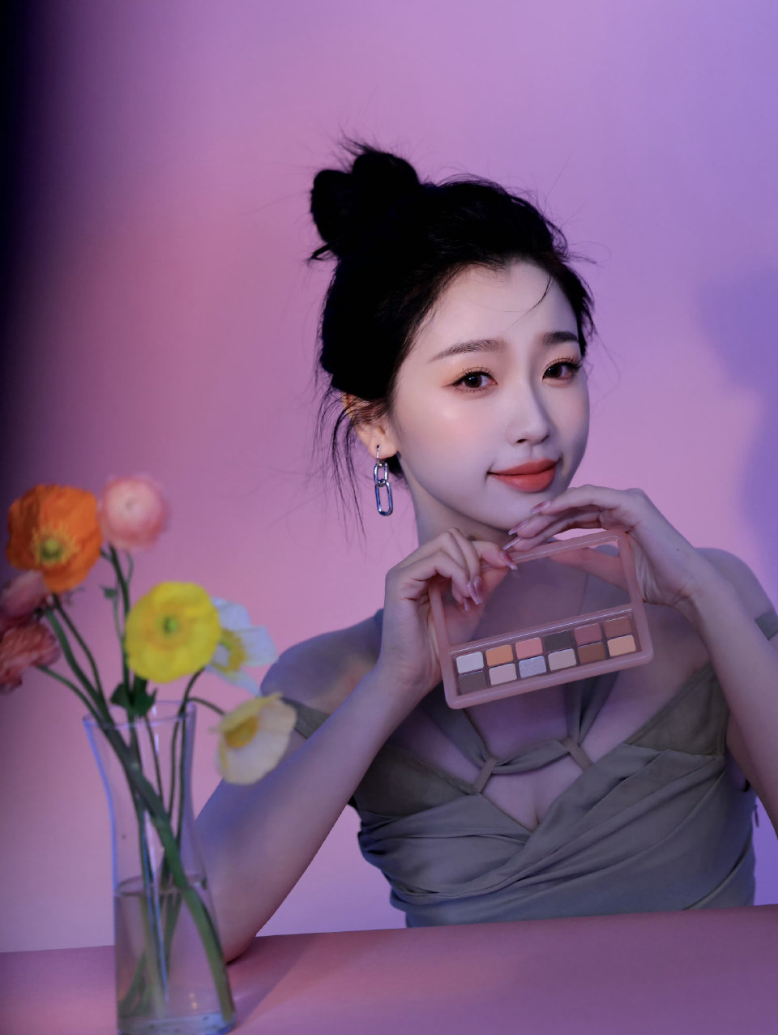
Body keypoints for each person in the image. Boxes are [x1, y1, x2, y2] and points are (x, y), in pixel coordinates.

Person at [197, 143, 778, 962]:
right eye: (475, 379)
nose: (536, 421)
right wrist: (391, 688)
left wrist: (706, 599)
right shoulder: (332, 678)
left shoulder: (707, 599)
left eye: (560, 367)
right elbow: (174, 946)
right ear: (374, 421)